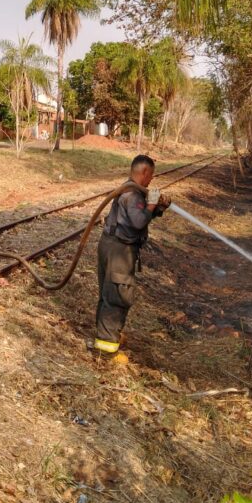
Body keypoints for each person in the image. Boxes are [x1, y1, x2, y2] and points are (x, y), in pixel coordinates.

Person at [93, 154, 170, 363]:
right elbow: (138, 221)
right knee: (118, 295)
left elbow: (139, 215)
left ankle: (106, 336)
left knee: (109, 293)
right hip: (119, 251)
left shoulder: (130, 190)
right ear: (144, 172)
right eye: (151, 175)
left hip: (111, 246)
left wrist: (158, 208)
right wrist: (151, 204)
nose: (151, 180)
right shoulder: (132, 194)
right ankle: (106, 349)